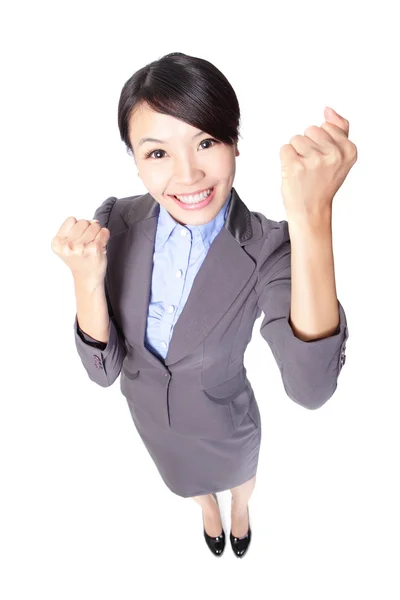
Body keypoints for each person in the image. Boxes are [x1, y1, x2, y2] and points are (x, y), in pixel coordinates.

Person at [51, 52, 352, 558]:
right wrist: (86, 281)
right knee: (189, 486)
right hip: (152, 422)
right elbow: (103, 374)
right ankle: (208, 511)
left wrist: (312, 214)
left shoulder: (269, 247)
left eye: (206, 142)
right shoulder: (117, 220)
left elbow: (311, 388)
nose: (188, 174)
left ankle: (238, 510)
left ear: (234, 141)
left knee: (240, 478)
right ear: (134, 158)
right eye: (157, 153)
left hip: (224, 423)